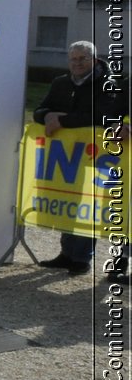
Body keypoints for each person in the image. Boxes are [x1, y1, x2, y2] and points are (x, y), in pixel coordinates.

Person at [34, 41, 128, 276]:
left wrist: (62, 120)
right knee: (68, 203)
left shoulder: (110, 85)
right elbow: (39, 110)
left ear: (94, 60)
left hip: (98, 155)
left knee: (89, 205)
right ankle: (66, 254)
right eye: (73, 59)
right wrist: (48, 116)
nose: (77, 63)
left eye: (83, 59)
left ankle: (81, 258)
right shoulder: (60, 83)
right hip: (66, 156)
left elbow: (102, 115)